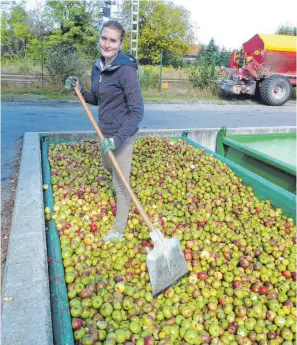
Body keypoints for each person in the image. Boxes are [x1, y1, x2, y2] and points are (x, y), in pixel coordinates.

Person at [65, 20, 144, 241]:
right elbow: (98, 99)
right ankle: (120, 186)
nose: (107, 44)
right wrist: (79, 90)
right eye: (104, 38)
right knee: (107, 166)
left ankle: (118, 230)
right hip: (104, 133)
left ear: (120, 44)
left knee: (120, 183)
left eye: (112, 40)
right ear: (99, 38)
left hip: (122, 135)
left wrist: (118, 139)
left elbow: (137, 112)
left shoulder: (126, 71)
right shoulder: (97, 66)